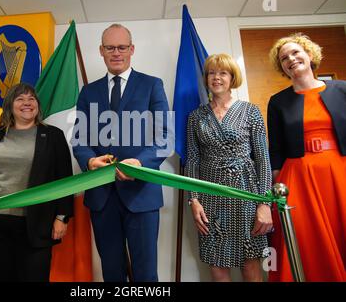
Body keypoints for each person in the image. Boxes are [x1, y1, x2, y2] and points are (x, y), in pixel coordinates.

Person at [72, 24, 170, 282]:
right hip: (101, 196)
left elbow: (165, 137)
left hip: (142, 194)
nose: (116, 52)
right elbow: (79, 138)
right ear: (101, 51)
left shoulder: (152, 85)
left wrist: (140, 162)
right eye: (110, 47)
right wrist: (90, 160)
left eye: (122, 47)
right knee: (111, 273)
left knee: (145, 274)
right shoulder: (88, 92)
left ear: (132, 49)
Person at [185, 53, 273, 282]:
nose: (216, 78)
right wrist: (193, 200)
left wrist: (265, 203)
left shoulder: (251, 111)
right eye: (212, 73)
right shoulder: (196, 117)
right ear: (206, 78)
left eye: (223, 72)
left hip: (246, 194)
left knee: (250, 263)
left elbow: (263, 159)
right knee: (217, 265)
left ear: (232, 77)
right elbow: (192, 160)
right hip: (211, 197)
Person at [267, 33, 346, 282]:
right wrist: (276, 194)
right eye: (284, 59)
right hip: (298, 178)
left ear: (309, 55)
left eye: (295, 53)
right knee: (304, 239)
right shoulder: (278, 102)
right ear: (282, 68)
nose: (291, 59)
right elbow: (276, 150)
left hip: (340, 172)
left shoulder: (342, 88)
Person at [0, 83, 73, 282]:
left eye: (31, 99)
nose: (27, 103)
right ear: (10, 106)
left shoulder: (53, 136)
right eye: (20, 99)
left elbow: (64, 178)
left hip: (36, 225)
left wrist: (62, 217)